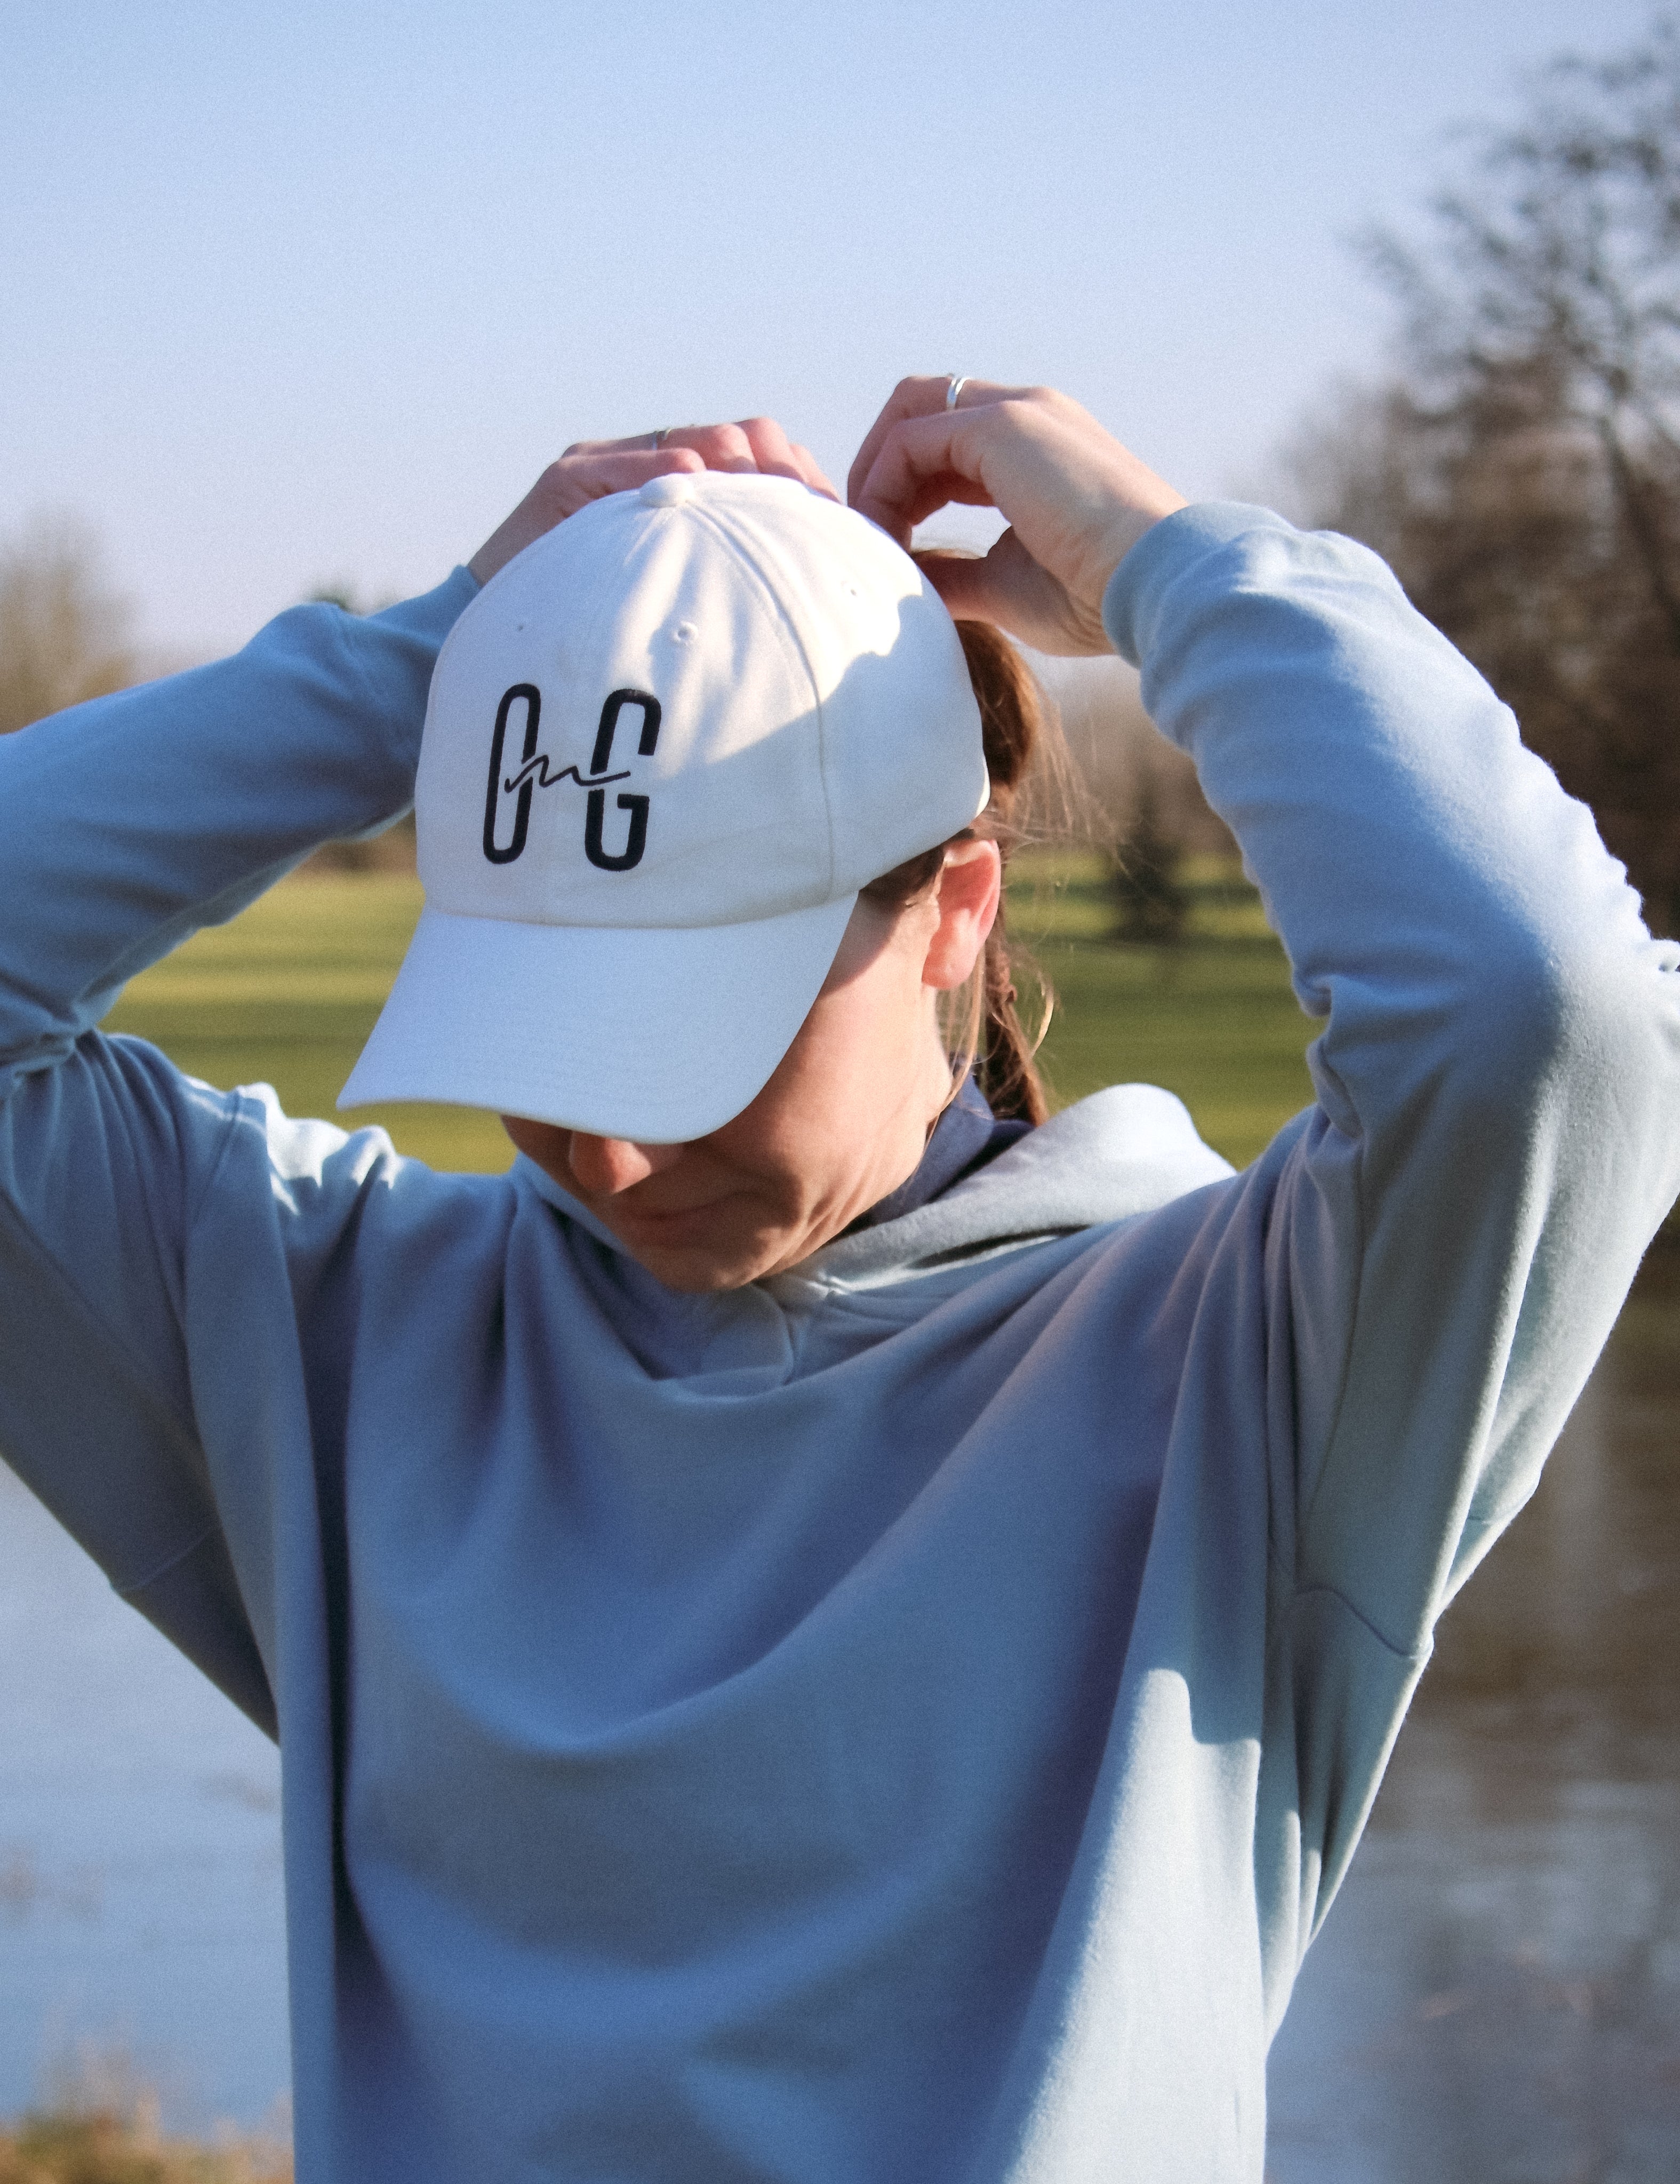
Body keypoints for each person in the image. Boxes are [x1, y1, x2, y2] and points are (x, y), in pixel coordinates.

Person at [1, 377, 1675, 2183]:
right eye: (543, 1041)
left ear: (954, 906)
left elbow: (1542, 1014)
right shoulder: (328, 1334)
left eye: (686, 1044)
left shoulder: (1251, 1368)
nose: (611, 1159)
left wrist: (1159, 569)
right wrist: (455, 651)